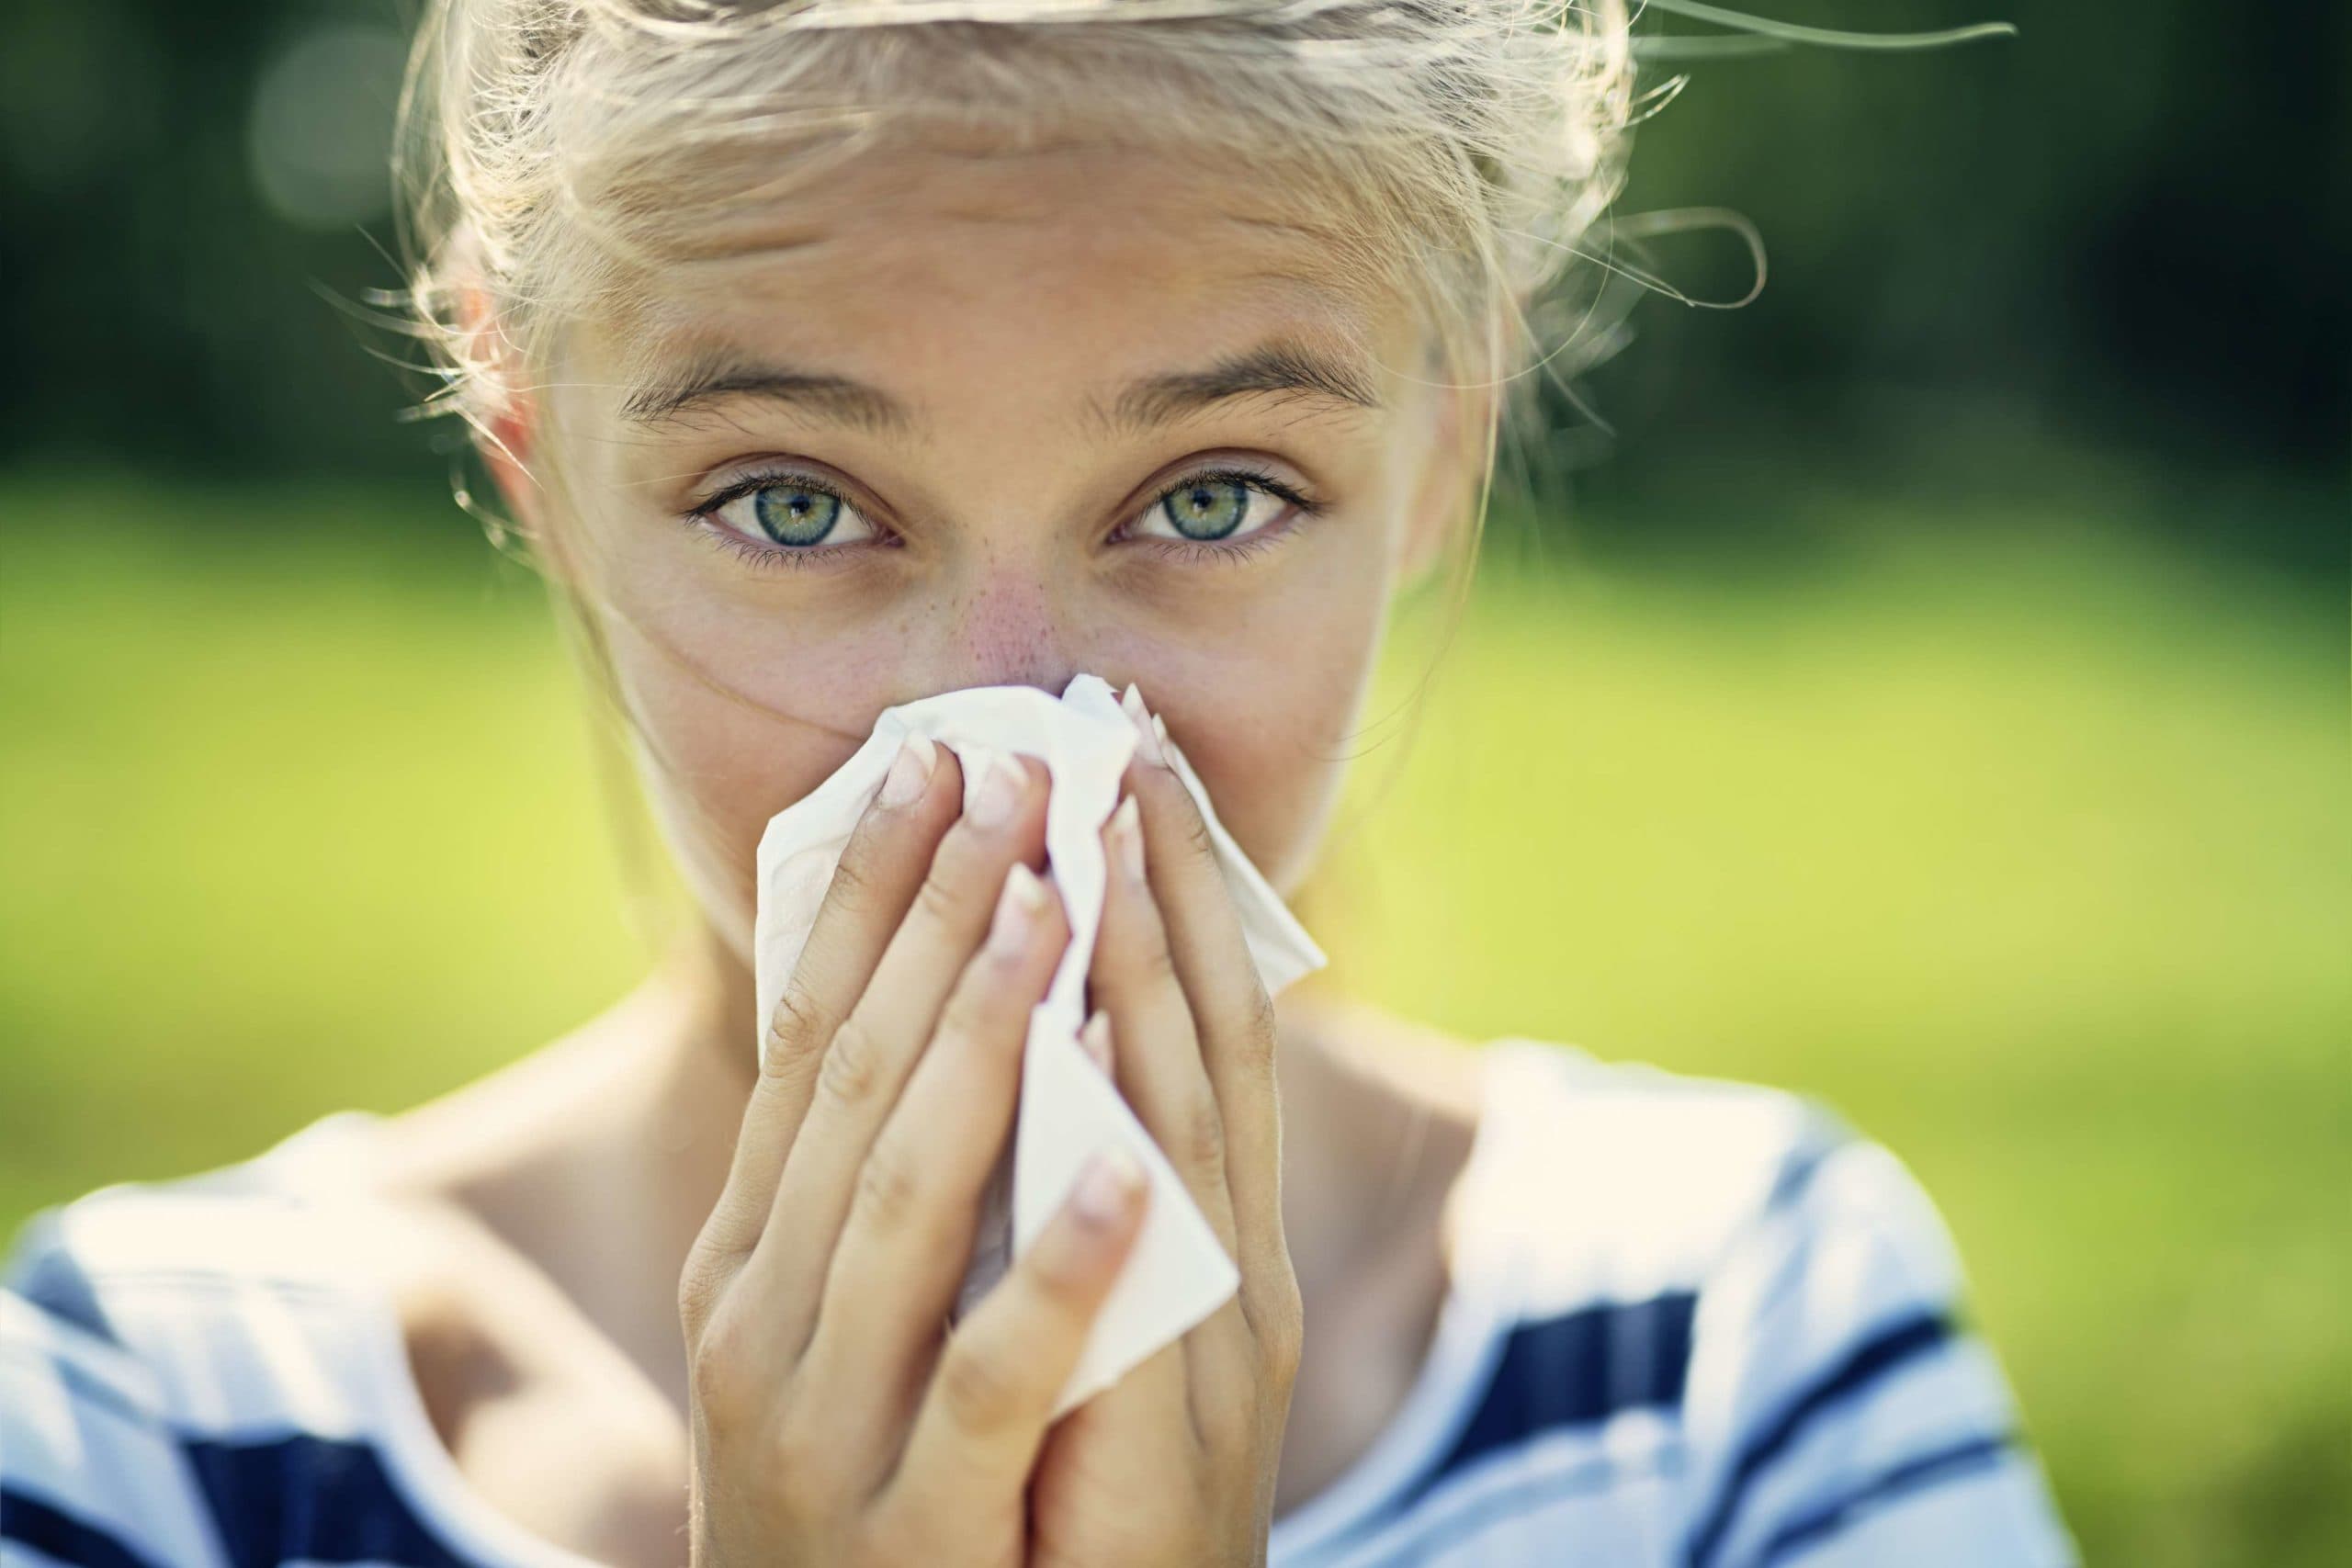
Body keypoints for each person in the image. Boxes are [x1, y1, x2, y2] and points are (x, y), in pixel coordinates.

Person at [0, 0, 2076, 1562]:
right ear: (539, 452)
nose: (1016, 749)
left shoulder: (1732, 1354)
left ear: (1440, 445)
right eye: (797, 502)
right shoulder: (144, 1423)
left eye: (1213, 490)